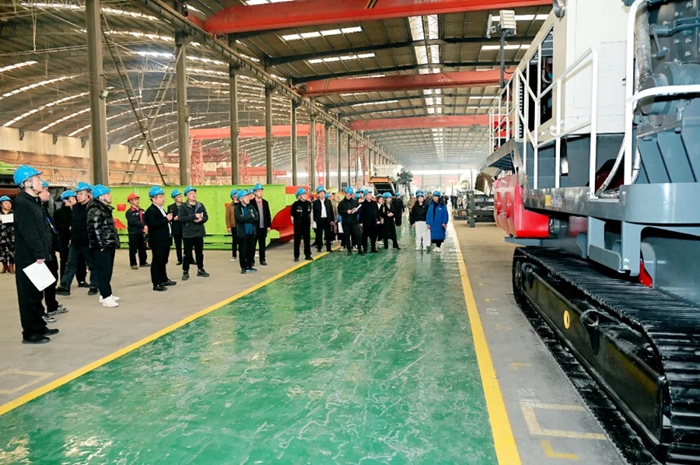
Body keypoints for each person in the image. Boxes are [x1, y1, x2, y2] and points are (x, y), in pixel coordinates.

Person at [12, 165, 56, 344]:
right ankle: (30, 333)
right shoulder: (22, 203)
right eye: (37, 179)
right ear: (27, 183)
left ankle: (39, 326)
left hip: (38, 255)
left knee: (37, 294)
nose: (40, 182)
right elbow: (29, 232)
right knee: (28, 296)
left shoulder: (34, 202)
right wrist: (39, 253)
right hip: (29, 257)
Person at [56, 182, 99, 296]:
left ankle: (94, 285)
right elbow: (74, 224)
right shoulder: (75, 207)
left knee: (92, 265)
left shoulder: (92, 207)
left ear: (88, 194)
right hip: (75, 242)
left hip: (88, 242)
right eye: (78, 194)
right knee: (70, 264)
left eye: (81, 194)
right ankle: (64, 286)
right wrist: (71, 238)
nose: (78, 196)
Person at [39, 181, 68, 323]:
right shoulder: (33, 209)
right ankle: (40, 313)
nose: (49, 194)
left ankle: (52, 306)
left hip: (49, 251)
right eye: (45, 190)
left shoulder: (43, 208)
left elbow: (50, 230)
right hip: (41, 254)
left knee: (51, 279)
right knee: (41, 285)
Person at [87, 184, 119, 307]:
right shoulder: (95, 210)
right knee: (103, 271)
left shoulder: (104, 208)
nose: (110, 196)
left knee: (107, 270)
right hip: (103, 246)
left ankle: (105, 293)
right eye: (107, 194)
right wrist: (101, 245)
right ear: (101, 197)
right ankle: (106, 297)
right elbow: (94, 230)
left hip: (108, 244)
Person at [145, 186, 175, 292]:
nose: (163, 199)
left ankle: (164, 278)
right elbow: (153, 224)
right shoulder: (150, 211)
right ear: (153, 199)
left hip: (165, 239)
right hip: (157, 240)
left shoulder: (161, 209)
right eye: (160, 197)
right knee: (157, 261)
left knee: (163, 260)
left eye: (163, 196)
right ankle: (156, 283)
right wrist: (166, 219)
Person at [54, 190, 86, 282]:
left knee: (81, 260)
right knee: (65, 261)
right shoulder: (59, 213)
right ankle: (64, 281)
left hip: (78, 239)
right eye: (72, 198)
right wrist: (69, 227)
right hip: (65, 240)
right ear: (65, 200)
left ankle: (81, 280)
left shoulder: (79, 211)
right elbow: (58, 226)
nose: (75, 200)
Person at [179, 186, 210, 280]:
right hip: (188, 234)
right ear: (187, 196)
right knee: (187, 254)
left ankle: (200, 269)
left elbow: (206, 217)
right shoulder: (183, 207)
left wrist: (202, 219)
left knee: (199, 253)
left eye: (194, 193)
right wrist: (193, 216)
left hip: (199, 233)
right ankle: (185, 271)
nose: (193, 195)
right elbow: (181, 218)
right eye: (191, 193)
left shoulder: (200, 205)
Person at [234, 189, 258, 274]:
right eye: (245, 197)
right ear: (241, 199)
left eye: (247, 196)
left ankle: (250, 265)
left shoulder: (251, 207)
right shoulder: (237, 208)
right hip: (242, 233)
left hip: (251, 232)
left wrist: (248, 218)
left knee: (251, 250)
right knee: (243, 251)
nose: (247, 198)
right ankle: (243, 267)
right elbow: (239, 219)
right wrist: (250, 216)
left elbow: (256, 217)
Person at [125, 193, 149, 270]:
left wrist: (146, 226)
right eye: (135, 200)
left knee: (142, 248)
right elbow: (133, 222)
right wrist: (143, 226)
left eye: (137, 199)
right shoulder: (129, 212)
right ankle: (133, 263)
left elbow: (145, 219)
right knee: (133, 249)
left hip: (141, 232)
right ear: (130, 201)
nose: (137, 201)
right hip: (133, 233)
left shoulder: (142, 211)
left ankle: (143, 262)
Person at [250, 183, 272, 266]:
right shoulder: (251, 203)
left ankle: (262, 259)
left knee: (262, 245)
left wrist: (269, 225)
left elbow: (268, 214)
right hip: (255, 227)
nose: (261, 192)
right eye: (259, 191)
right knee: (252, 245)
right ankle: (251, 260)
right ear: (255, 192)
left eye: (261, 191)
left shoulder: (265, 203)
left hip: (263, 227)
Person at [337, 187, 363, 255]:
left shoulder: (355, 202)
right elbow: (339, 211)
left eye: (350, 195)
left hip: (354, 222)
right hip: (346, 223)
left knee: (358, 235)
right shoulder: (341, 203)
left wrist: (356, 210)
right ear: (345, 194)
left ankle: (359, 249)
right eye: (348, 195)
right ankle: (349, 250)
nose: (349, 196)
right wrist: (346, 212)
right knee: (347, 236)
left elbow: (360, 210)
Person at [291, 188, 313, 262]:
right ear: (299, 196)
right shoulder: (295, 204)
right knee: (297, 241)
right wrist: (296, 222)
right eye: (303, 194)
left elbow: (310, 213)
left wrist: (311, 222)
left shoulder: (308, 203)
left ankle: (308, 255)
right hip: (298, 226)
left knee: (307, 241)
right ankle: (296, 256)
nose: (305, 195)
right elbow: (292, 214)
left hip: (306, 225)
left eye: (305, 194)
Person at [312, 185, 334, 253]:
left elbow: (331, 211)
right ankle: (319, 247)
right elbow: (314, 212)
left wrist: (332, 220)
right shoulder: (315, 203)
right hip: (319, 220)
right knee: (319, 234)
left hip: (327, 220)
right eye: (320, 193)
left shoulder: (328, 201)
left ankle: (328, 248)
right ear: (318, 194)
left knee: (328, 234)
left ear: (325, 194)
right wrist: (315, 221)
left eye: (323, 193)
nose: (322, 194)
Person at [167, 189, 184, 265]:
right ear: (175, 198)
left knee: (188, 244)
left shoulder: (186, 205)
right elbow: (169, 218)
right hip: (176, 228)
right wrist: (174, 218)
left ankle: (189, 258)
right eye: (179, 196)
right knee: (178, 244)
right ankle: (180, 259)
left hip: (185, 228)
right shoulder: (171, 207)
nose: (181, 198)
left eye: (181, 196)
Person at [0, 195, 15, 274]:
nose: (8, 205)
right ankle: (5, 266)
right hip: (2, 236)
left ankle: (11, 266)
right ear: (1, 205)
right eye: (6, 203)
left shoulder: (14, 213)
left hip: (12, 236)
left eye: (9, 203)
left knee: (12, 251)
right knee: (2, 251)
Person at [225, 188, 239, 262]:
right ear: (232, 196)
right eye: (235, 194)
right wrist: (228, 226)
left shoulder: (241, 204)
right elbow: (227, 217)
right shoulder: (229, 206)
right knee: (235, 241)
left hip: (241, 225)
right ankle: (234, 255)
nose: (236, 196)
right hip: (234, 225)